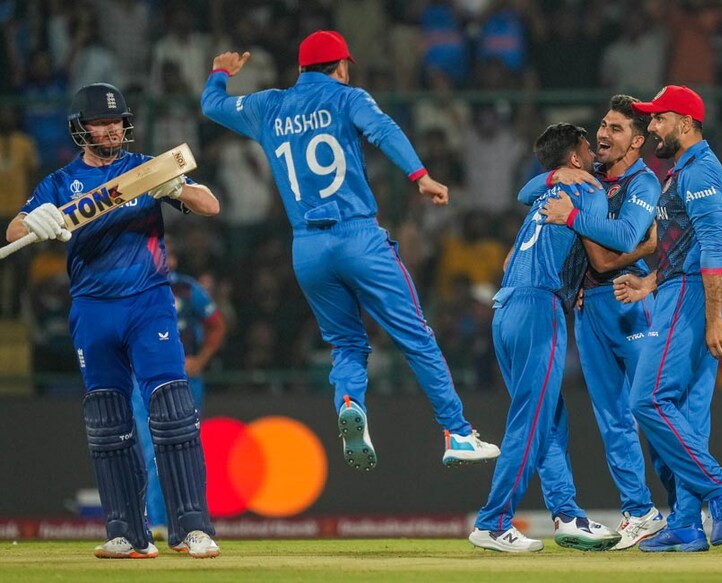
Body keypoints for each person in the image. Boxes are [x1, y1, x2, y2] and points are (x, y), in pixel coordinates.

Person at [200, 31, 499, 471]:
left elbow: (212, 107)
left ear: (301, 69)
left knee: (345, 342)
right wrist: (420, 176)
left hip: (306, 246)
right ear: (340, 66)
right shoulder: (347, 97)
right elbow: (385, 129)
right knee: (416, 336)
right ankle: (456, 432)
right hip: (357, 235)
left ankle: (348, 403)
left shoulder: (269, 105)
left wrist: (219, 74)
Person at [6, 83, 221, 558]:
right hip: (92, 309)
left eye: (117, 121)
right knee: (107, 421)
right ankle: (128, 532)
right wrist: (36, 220)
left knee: (172, 412)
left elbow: (211, 205)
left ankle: (192, 529)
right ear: (81, 129)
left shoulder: (146, 170)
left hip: (149, 303)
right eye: (102, 123)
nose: (112, 130)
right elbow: (14, 229)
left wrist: (177, 187)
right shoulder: (60, 183)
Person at [517, 95, 668, 549]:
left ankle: (685, 507)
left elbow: (625, 236)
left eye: (616, 129)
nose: (602, 134)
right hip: (589, 307)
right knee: (612, 417)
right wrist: (554, 174)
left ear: (637, 141)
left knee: (655, 409)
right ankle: (639, 511)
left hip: (631, 302)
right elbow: (526, 194)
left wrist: (572, 214)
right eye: (602, 124)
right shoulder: (590, 176)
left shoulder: (644, 184)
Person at [611, 86, 722, 552]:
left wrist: (713, 318)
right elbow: (684, 244)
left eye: (658, 119)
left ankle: (721, 485)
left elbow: (714, 249)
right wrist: (650, 282)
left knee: (647, 400)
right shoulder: (683, 172)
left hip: (693, 299)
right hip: (682, 291)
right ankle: (688, 523)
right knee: (687, 416)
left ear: (687, 123)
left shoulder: (701, 171)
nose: (651, 128)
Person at [470, 123, 621, 553]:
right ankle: (494, 521)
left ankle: (567, 516)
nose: (593, 151)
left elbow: (516, 223)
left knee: (550, 419)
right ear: (574, 158)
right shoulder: (587, 190)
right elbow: (604, 253)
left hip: (507, 307)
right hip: (539, 308)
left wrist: (552, 176)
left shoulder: (543, 194)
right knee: (532, 421)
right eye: (587, 147)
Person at [131, 245, 226, 542]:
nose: (165, 260)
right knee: (150, 448)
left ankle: (190, 521)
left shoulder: (186, 288)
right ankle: (158, 521)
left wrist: (202, 359)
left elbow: (216, 325)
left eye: (169, 254)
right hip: (142, 377)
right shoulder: (132, 287)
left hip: (185, 378)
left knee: (187, 446)